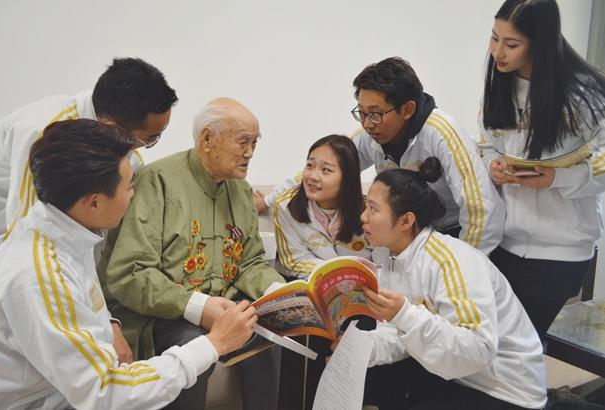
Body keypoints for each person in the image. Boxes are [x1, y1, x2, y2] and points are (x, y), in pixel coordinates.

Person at [0, 119, 257, 410]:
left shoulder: (63, 229)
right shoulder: (39, 277)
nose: (134, 194)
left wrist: (110, 325)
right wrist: (214, 343)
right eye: (128, 187)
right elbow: (105, 391)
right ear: (94, 203)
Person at [98, 98, 286, 410]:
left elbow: (250, 262)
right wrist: (200, 307)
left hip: (221, 306)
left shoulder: (241, 190)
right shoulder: (157, 181)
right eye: (243, 141)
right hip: (158, 315)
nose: (250, 152)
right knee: (194, 345)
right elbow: (130, 273)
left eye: (255, 142)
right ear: (207, 138)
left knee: (269, 336)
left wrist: (281, 292)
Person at [256, 57, 505, 255]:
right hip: (410, 237)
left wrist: (462, 264)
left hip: (454, 233)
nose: (367, 124)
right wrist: (268, 201)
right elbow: (324, 166)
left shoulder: (442, 133)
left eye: (375, 114)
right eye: (361, 113)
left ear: (407, 110)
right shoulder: (369, 137)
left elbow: (481, 210)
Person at [358, 158, 546, 409]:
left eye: (373, 209)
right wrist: (360, 350)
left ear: (406, 221)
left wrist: (404, 314)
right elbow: (397, 334)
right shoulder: (391, 257)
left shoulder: (452, 260)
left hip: (505, 390)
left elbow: (479, 349)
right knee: (371, 375)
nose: (363, 217)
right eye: (365, 206)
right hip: (456, 375)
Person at [479, 0, 605, 339]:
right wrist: (492, 165)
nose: (498, 52)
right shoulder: (500, 84)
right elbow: (488, 143)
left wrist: (558, 178)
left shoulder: (584, 94)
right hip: (505, 241)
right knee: (498, 343)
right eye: (494, 38)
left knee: (519, 345)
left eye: (511, 44)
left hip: (560, 250)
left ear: (541, 43)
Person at [0, 57, 177, 270]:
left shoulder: (119, 143)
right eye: (150, 139)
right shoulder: (43, 136)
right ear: (113, 127)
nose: (144, 147)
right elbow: (24, 233)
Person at [274, 134, 378, 278]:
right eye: (310, 165)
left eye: (326, 170)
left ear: (347, 177)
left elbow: (382, 262)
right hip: (308, 282)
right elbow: (294, 261)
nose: (313, 176)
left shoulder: (369, 212)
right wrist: (338, 274)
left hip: (361, 284)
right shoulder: (286, 205)